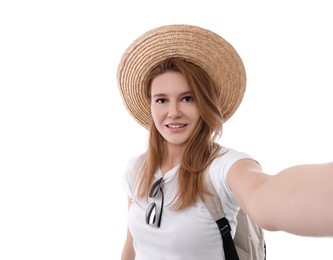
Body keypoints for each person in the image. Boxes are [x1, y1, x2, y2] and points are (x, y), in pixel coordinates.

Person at [117, 24, 333, 260]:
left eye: (187, 98)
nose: (173, 112)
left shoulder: (223, 167)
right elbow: (132, 245)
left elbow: (265, 195)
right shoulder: (136, 168)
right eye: (161, 100)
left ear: (205, 104)